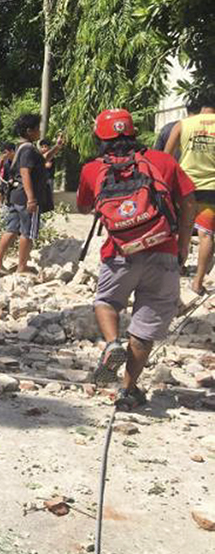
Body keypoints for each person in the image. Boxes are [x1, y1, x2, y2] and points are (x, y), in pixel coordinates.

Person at [78, 108, 196, 410]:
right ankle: (128, 391)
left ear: (99, 137)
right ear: (133, 132)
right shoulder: (164, 161)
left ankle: (113, 343)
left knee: (106, 301)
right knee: (145, 328)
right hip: (163, 250)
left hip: (120, 252)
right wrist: (183, 247)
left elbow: (83, 207)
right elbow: (188, 201)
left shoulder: (93, 168)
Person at [0, 114, 65, 275]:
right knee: (27, 231)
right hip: (25, 197)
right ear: (29, 131)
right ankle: (22, 266)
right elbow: (25, 173)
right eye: (37, 128)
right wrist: (31, 199)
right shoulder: (29, 149)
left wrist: (56, 148)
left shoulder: (22, 148)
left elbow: (41, 159)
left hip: (16, 196)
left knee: (11, 229)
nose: (40, 131)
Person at [164, 93, 215, 295]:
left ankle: (177, 271)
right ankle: (197, 282)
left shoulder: (183, 124)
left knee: (183, 230)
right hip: (212, 188)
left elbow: (165, 157)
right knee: (207, 235)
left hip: (185, 187)